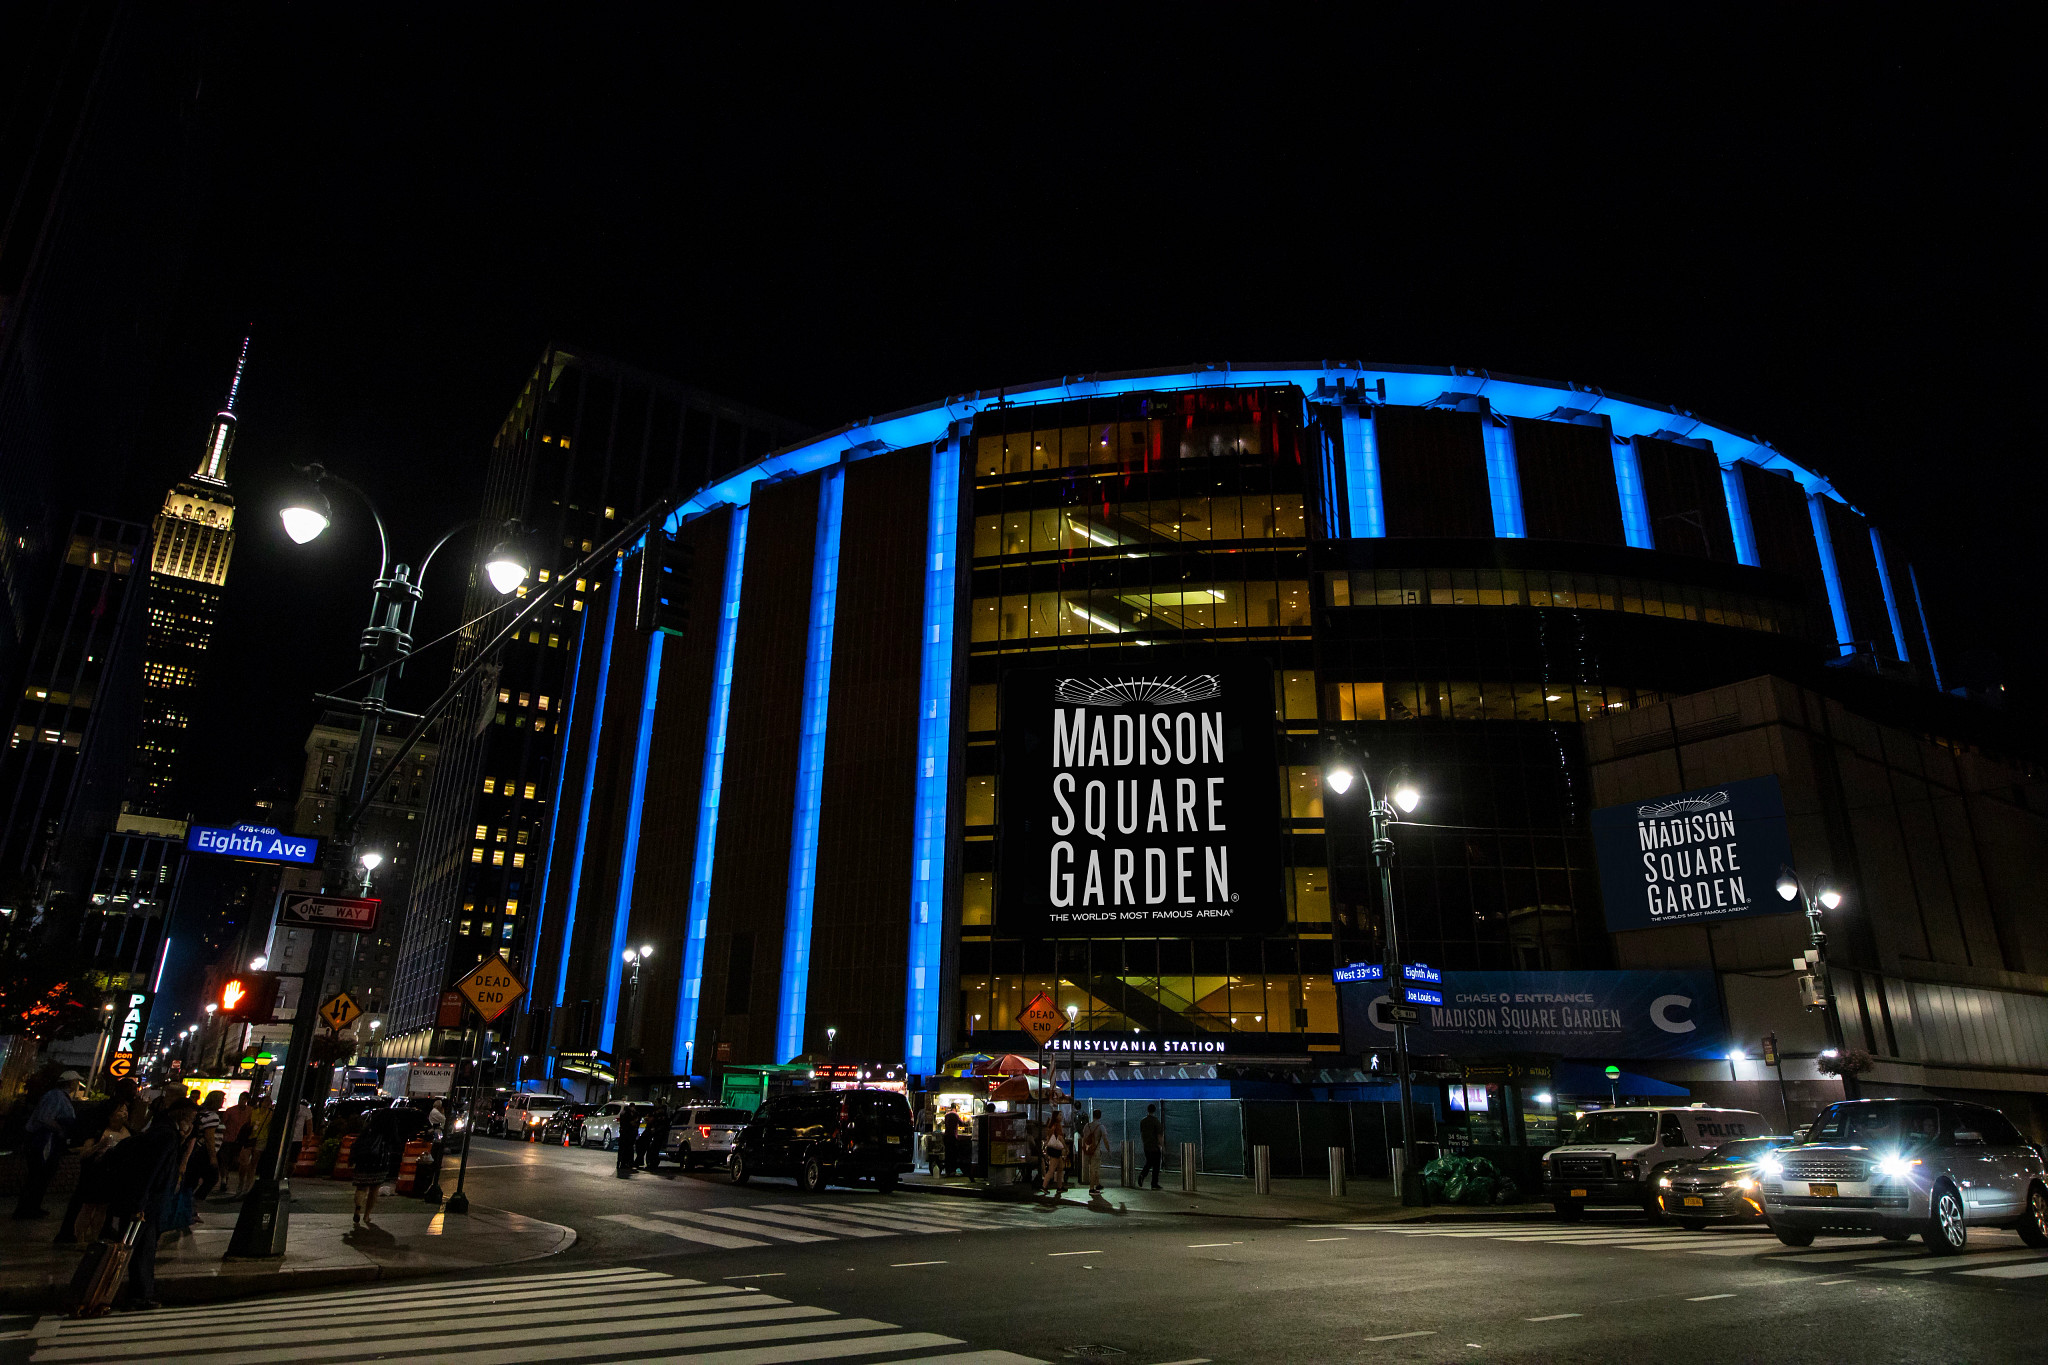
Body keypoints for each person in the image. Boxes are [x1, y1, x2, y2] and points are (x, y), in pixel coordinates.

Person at [102, 1097, 198, 1311]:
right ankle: (136, 1294)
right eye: (191, 1118)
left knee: (141, 1247)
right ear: (182, 1115)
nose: (192, 1123)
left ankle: (138, 1293)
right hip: (148, 1201)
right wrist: (141, 1202)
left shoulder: (162, 1131)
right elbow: (152, 1171)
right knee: (140, 1248)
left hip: (146, 1199)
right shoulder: (165, 1135)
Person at [14, 1071, 83, 1219]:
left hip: (50, 1142)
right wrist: (60, 1129)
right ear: (71, 1083)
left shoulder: (59, 1097)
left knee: (42, 1176)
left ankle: (33, 1206)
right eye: (76, 1082)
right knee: (37, 1175)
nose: (77, 1085)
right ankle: (26, 1209)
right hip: (45, 1142)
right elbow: (44, 1118)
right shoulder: (55, 1096)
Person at [350, 1109, 400, 1228]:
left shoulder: (369, 1129)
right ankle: (366, 1215)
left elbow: (358, 1143)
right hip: (380, 1162)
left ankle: (357, 1209)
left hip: (363, 1161)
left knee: (361, 1187)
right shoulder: (389, 1130)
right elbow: (396, 1143)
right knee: (374, 1189)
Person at [1080, 1109, 1108, 1194]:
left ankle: (1097, 1184)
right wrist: (1108, 1149)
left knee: (1093, 1168)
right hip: (1095, 1150)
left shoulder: (1086, 1126)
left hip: (1087, 1149)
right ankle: (1092, 1189)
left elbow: (1084, 1138)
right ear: (1100, 1116)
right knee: (1094, 1169)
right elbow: (1105, 1139)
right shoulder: (1101, 1127)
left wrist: (1085, 1149)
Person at [1041, 1110, 1068, 1195]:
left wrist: (1045, 1148)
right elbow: (1060, 1138)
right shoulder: (1057, 1126)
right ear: (1056, 1117)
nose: (1061, 1116)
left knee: (1060, 1167)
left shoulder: (1050, 1126)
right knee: (1052, 1169)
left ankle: (1059, 1187)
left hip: (1051, 1149)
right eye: (1060, 1115)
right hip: (1055, 1150)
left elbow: (1048, 1138)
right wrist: (1065, 1147)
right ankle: (1044, 1186)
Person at [1138, 1103, 1164, 1191]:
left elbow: (1142, 1133)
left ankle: (1142, 1175)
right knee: (1156, 1165)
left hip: (1146, 1145)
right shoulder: (1156, 1121)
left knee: (1149, 1162)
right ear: (1154, 1110)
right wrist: (1161, 1145)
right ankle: (1154, 1183)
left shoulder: (1143, 1121)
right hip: (1154, 1146)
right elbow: (1159, 1135)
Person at [643, 1102, 671, 1172]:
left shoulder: (662, 1117)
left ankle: (652, 1163)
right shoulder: (660, 1116)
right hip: (657, 1135)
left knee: (653, 1150)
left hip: (658, 1136)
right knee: (652, 1150)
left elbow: (662, 1126)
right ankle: (652, 1163)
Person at [615, 1104, 640, 1178]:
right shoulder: (627, 1114)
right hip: (627, 1134)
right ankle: (625, 1163)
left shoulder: (624, 1113)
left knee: (623, 1148)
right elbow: (631, 1123)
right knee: (627, 1148)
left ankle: (621, 1163)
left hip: (624, 1133)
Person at [941, 1104, 966, 1177]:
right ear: (955, 1108)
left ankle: (947, 1171)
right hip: (953, 1137)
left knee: (947, 1154)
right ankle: (952, 1171)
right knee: (953, 1154)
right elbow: (961, 1124)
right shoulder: (956, 1115)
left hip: (946, 1136)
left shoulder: (946, 1115)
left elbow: (945, 1124)